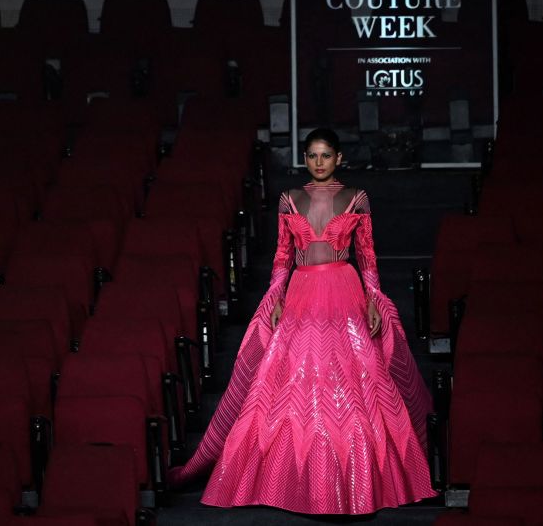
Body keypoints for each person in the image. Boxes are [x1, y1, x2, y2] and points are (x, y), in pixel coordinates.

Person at [168, 128, 436, 514]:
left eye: (326, 155)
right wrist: (275, 297)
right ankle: (287, 484)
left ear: (339, 159)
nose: (319, 162)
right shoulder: (289, 199)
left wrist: (375, 300)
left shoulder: (357, 198)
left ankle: (358, 483)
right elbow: (281, 258)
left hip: (345, 291)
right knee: (289, 381)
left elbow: (369, 258)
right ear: (304, 159)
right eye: (312, 155)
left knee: (358, 379)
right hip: (301, 293)